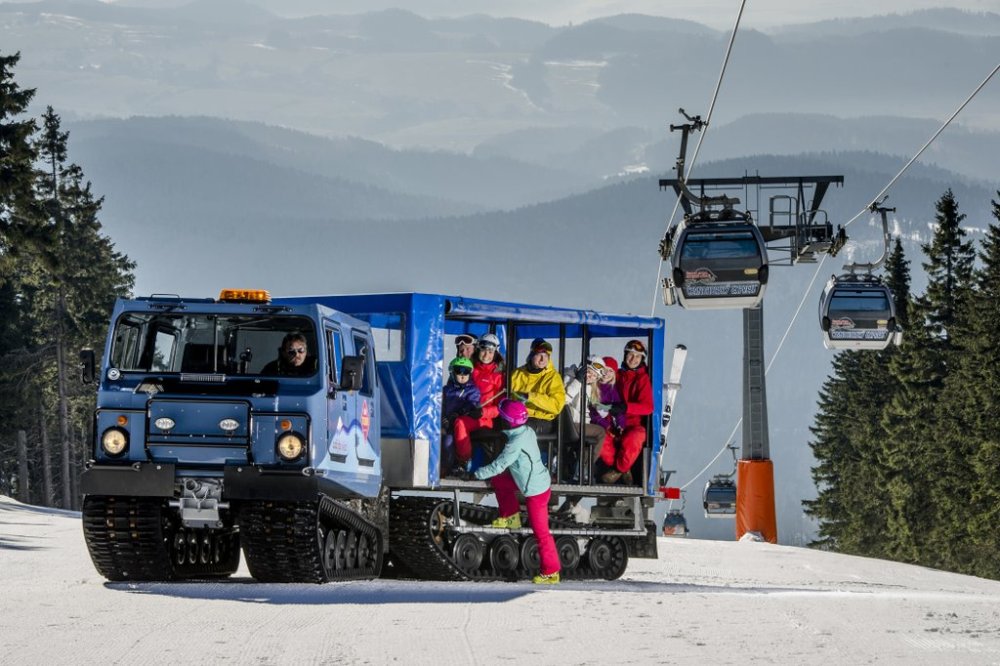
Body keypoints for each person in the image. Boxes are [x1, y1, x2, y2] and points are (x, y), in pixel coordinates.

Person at [473, 399, 561, 585]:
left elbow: (500, 464)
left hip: (535, 491)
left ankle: (551, 572)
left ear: (507, 421)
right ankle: (511, 515)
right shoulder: (526, 431)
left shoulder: (515, 443)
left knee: (541, 533)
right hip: (527, 479)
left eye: (501, 416)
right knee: (500, 481)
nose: (499, 419)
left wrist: (477, 474)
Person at [604, 339, 654, 485]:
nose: (633, 359)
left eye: (637, 357)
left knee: (635, 437)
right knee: (600, 437)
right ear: (625, 355)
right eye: (630, 355)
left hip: (632, 425)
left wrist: (626, 407)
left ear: (642, 359)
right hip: (612, 423)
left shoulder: (642, 379)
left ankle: (619, 470)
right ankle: (624, 471)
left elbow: (647, 407)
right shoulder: (617, 375)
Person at [562, 356, 610, 482]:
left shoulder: (589, 387)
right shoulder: (569, 377)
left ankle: (580, 471)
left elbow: (586, 412)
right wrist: (577, 381)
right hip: (567, 423)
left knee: (590, 440)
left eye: (595, 376)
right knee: (600, 433)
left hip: (577, 423)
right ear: (583, 368)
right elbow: (563, 401)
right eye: (589, 372)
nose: (590, 377)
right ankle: (585, 468)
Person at [509, 338, 566, 436]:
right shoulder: (517, 374)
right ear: (531, 355)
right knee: (500, 425)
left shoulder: (553, 377)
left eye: (546, 356)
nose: (543, 359)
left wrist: (531, 397)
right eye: (539, 355)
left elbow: (557, 405)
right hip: (517, 417)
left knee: (520, 430)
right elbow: (507, 396)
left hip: (541, 420)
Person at [590, 357, 629, 483]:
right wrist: (606, 426)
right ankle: (619, 469)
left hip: (613, 426)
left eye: (611, 371)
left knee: (623, 442)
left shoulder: (614, 391)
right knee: (604, 444)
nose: (607, 373)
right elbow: (593, 413)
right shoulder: (594, 388)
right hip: (600, 426)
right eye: (605, 370)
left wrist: (620, 426)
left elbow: (619, 412)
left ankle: (622, 468)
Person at [441, 357, 481, 475]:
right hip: (448, 423)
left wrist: (459, 413)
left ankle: (453, 466)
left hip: (461, 421)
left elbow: (472, 404)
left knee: (449, 442)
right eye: (459, 371)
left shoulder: (472, 390)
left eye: (466, 372)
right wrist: (443, 419)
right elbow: (441, 405)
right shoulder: (446, 390)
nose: (463, 375)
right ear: (452, 372)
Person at [472, 333, 505, 427]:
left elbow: (501, 406)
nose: (486, 355)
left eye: (490, 352)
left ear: (495, 354)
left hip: (486, 420)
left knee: (460, 424)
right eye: (483, 350)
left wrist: (483, 412)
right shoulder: (470, 369)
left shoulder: (499, 376)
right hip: (467, 413)